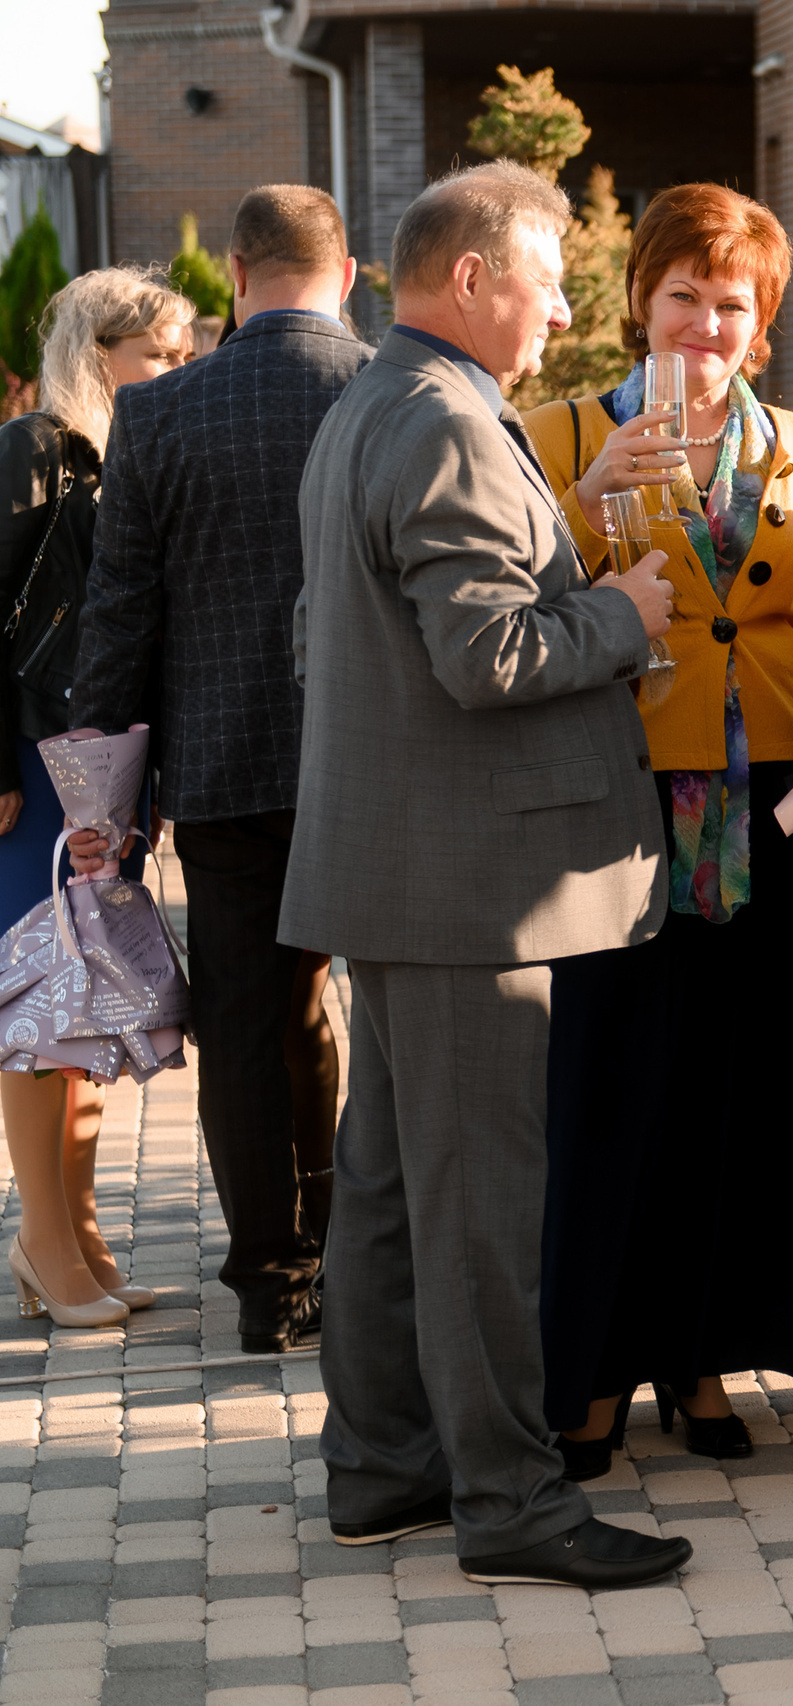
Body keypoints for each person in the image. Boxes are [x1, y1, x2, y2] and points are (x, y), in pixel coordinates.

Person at [282, 160, 691, 1589]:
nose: (567, 307)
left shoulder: (379, 404)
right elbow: (490, 654)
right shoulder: (446, 418)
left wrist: (566, 534)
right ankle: (513, 1504)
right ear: (473, 280)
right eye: (551, 278)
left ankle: (382, 1467)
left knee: (392, 1190)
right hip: (466, 887)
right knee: (472, 1210)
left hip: (402, 871)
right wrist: (624, 613)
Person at [522, 182, 793, 1478]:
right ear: (640, 300)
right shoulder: (560, 430)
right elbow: (515, 599)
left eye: (730, 303)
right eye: (682, 294)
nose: (702, 321)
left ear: (764, 322)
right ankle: (591, 1374)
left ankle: (703, 1357)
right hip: (618, 806)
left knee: (743, 1090)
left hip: (773, 807)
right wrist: (591, 497)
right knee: (617, 1091)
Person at [65, 186, 368, 1357]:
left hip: (228, 764)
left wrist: (103, 800)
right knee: (376, 1017)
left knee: (250, 1022)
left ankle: (268, 1281)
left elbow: (119, 615)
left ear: (235, 277)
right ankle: (363, 1250)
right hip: (380, 763)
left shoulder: (161, 413)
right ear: (346, 275)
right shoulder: (400, 391)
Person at [0, 266, 192, 1331]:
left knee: (82, 1002)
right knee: (36, 1003)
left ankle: (72, 1234)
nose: (174, 368)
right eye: (156, 351)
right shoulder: (37, 448)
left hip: (90, 763)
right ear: (100, 352)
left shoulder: (131, 455)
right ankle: (42, 1239)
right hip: (28, 767)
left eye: (179, 350)